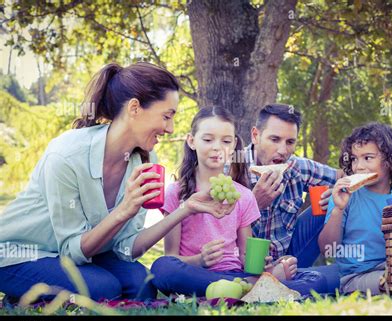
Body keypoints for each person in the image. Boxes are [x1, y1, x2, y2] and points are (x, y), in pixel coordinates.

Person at [0, 62, 233, 302]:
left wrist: (186, 209)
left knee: (142, 285)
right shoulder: (66, 155)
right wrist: (124, 210)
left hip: (87, 256)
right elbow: (71, 250)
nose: (170, 129)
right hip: (22, 253)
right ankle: (19, 297)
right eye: (166, 116)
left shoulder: (145, 159)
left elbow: (126, 247)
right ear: (134, 108)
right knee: (104, 288)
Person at [151, 106, 328, 297]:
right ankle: (252, 289)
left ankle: (241, 288)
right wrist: (199, 260)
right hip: (198, 273)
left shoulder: (244, 195)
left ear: (234, 144)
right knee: (163, 267)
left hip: (235, 273)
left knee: (317, 280)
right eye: (208, 139)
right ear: (192, 141)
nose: (217, 147)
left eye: (226, 141)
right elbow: (171, 257)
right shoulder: (176, 193)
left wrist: (264, 264)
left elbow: (245, 257)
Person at [244, 104, 343, 292]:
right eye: (275, 139)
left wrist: (339, 190)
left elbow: (346, 176)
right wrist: (252, 204)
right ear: (255, 135)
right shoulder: (231, 170)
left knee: (330, 203)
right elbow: (217, 233)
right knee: (326, 281)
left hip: (290, 260)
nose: (283, 150)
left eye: (290, 142)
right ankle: (274, 283)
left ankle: (287, 280)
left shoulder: (296, 167)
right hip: (245, 265)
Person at [318, 122, 392, 295]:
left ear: (389, 161)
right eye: (354, 159)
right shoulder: (344, 196)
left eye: (367, 158)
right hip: (355, 276)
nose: (358, 166)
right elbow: (327, 249)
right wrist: (338, 210)